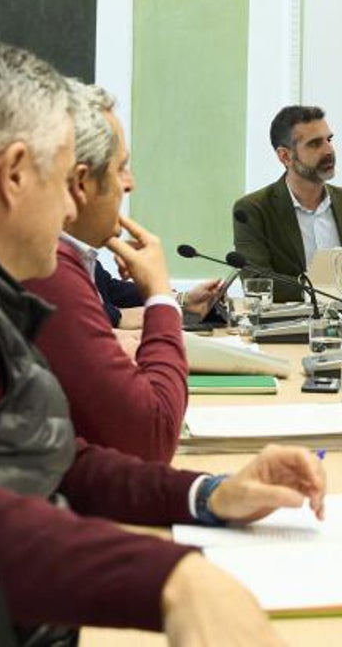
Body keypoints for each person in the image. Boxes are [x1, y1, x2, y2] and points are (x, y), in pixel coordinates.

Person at [0, 40, 325, 643]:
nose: (70, 206)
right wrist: (173, 580)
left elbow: (48, 457)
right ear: (12, 176)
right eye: (64, 180)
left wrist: (208, 494)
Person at [24, 81, 223, 461]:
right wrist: (161, 297)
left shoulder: (68, 259)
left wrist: (200, 495)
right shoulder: (48, 270)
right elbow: (153, 436)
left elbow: (72, 458)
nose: (129, 183)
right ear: (81, 182)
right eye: (121, 167)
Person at [233, 105, 342, 301]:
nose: (328, 150)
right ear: (285, 156)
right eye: (315, 144)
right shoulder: (254, 209)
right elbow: (256, 282)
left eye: (328, 140)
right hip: (288, 327)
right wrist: (325, 291)